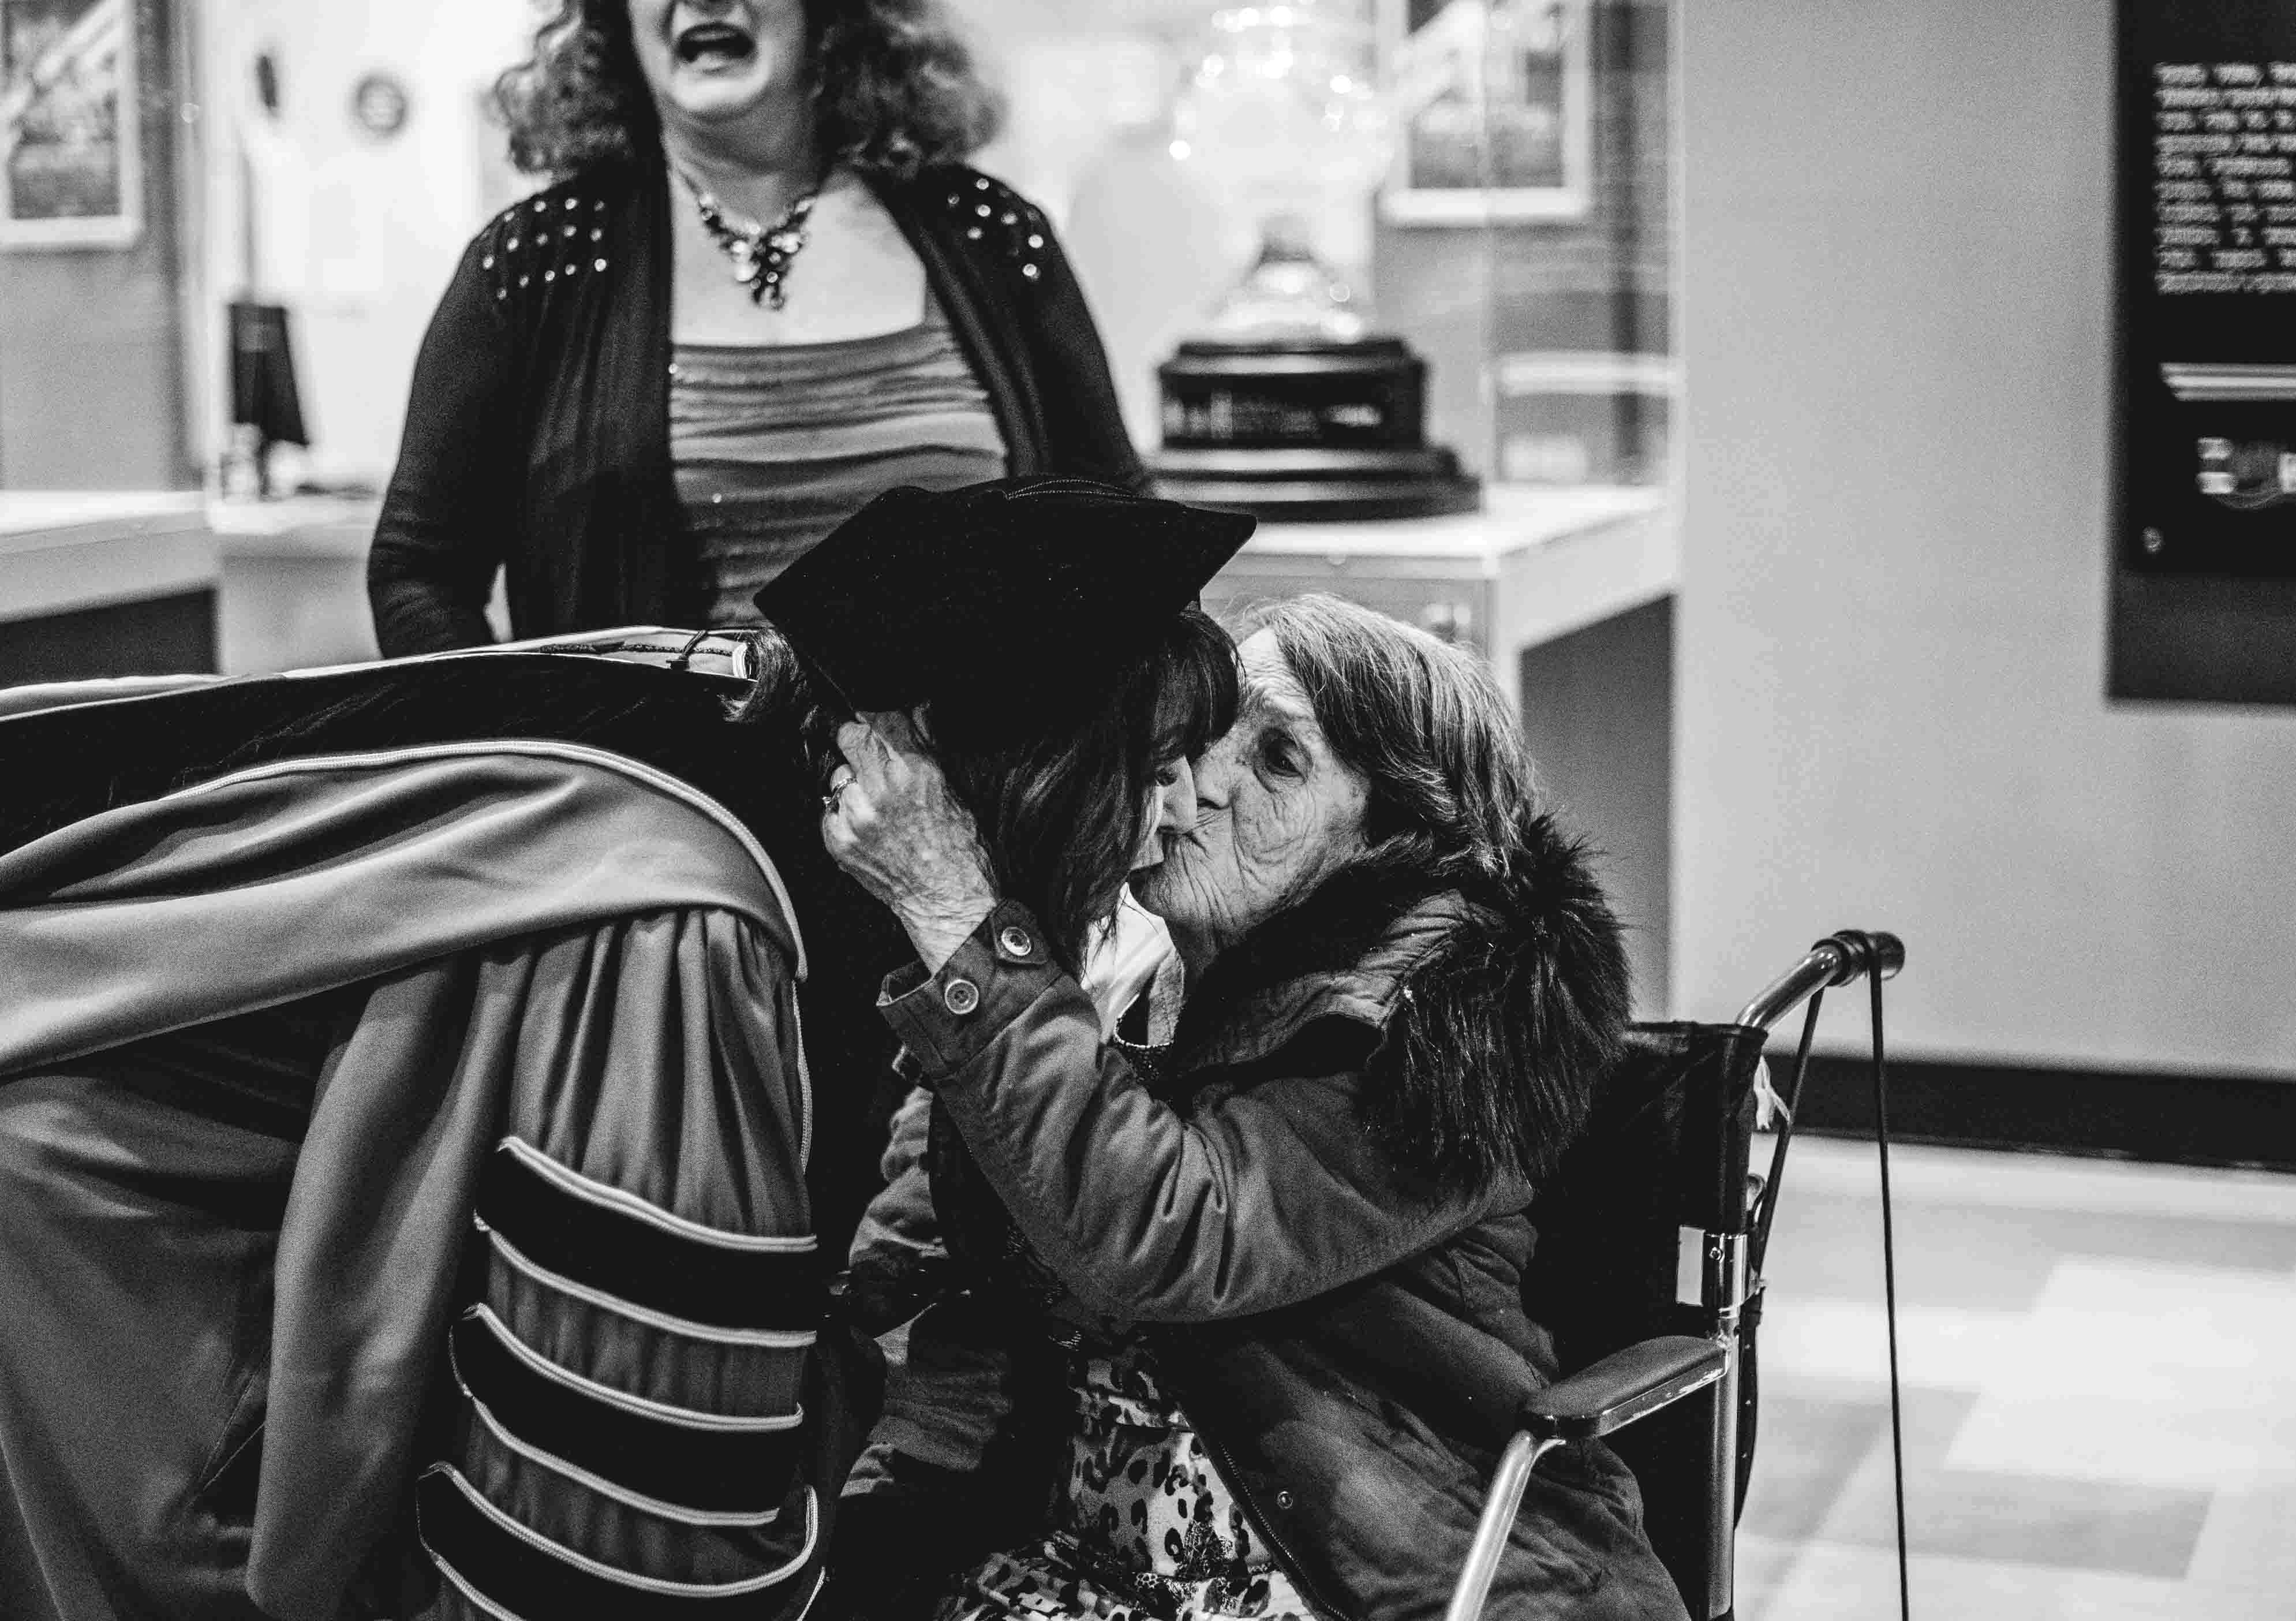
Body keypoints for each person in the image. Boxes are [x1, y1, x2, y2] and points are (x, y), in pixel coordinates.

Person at [0, 477, 1248, 1621]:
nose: (1187, 811)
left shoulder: (741, 724)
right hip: (125, 1276)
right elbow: (625, 1482)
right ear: (1028, 763)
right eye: (1152, 768)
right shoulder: (689, 926)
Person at [825, 592, 1688, 1619]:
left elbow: (1172, 1231)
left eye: (1278, 762)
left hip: (1362, 1574)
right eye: (1202, 735)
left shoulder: (1423, 1032)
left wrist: (961, 918)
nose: (1202, 784)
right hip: (1076, 1559)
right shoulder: (1133, 968)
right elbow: (915, 1261)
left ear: (1392, 837)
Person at [368, 0, 1145, 658]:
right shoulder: (535, 266)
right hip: (661, 821)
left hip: (972, 820)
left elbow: (1126, 537)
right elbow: (420, 573)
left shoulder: (989, 238)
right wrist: (528, 762)